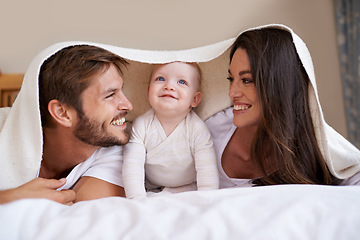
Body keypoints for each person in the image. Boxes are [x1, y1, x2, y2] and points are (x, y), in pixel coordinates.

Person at [205, 26, 360, 188]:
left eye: (246, 80)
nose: (232, 93)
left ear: (279, 85)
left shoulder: (317, 141)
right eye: (231, 79)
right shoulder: (209, 132)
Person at [0, 45, 133, 204]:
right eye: (110, 95)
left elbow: (84, 213)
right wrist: (12, 197)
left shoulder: (116, 147)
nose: (128, 105)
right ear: (62, 113)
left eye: (121, 91)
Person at [123, 62, 219, 199]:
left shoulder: (197, 130)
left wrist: (206, 201)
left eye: (181, 82)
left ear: (195, 99)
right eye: (160, 79)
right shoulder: (142, 125)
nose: (169, 86)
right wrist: (137, 200)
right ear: (149, 90)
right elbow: (132, 167)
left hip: (189, 187)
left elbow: (207, 173)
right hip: (150, 188)